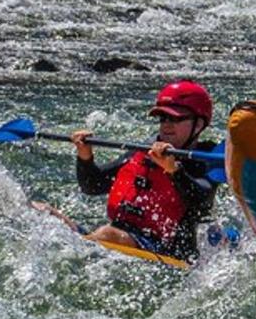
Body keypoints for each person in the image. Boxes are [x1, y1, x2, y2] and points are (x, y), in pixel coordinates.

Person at [71, 80, 218, 262]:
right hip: (119, 238)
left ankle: (82, 250)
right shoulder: (144, 150)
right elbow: (93, 186)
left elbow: (203, 203)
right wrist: (85, 156)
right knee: (44, 210)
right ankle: (84, 247)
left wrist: (174, 171)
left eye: (175, 119)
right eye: (163, 118)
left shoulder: (206, 159)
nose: (166, 125)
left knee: (106, 234)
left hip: (170, 252)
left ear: (198, 124)